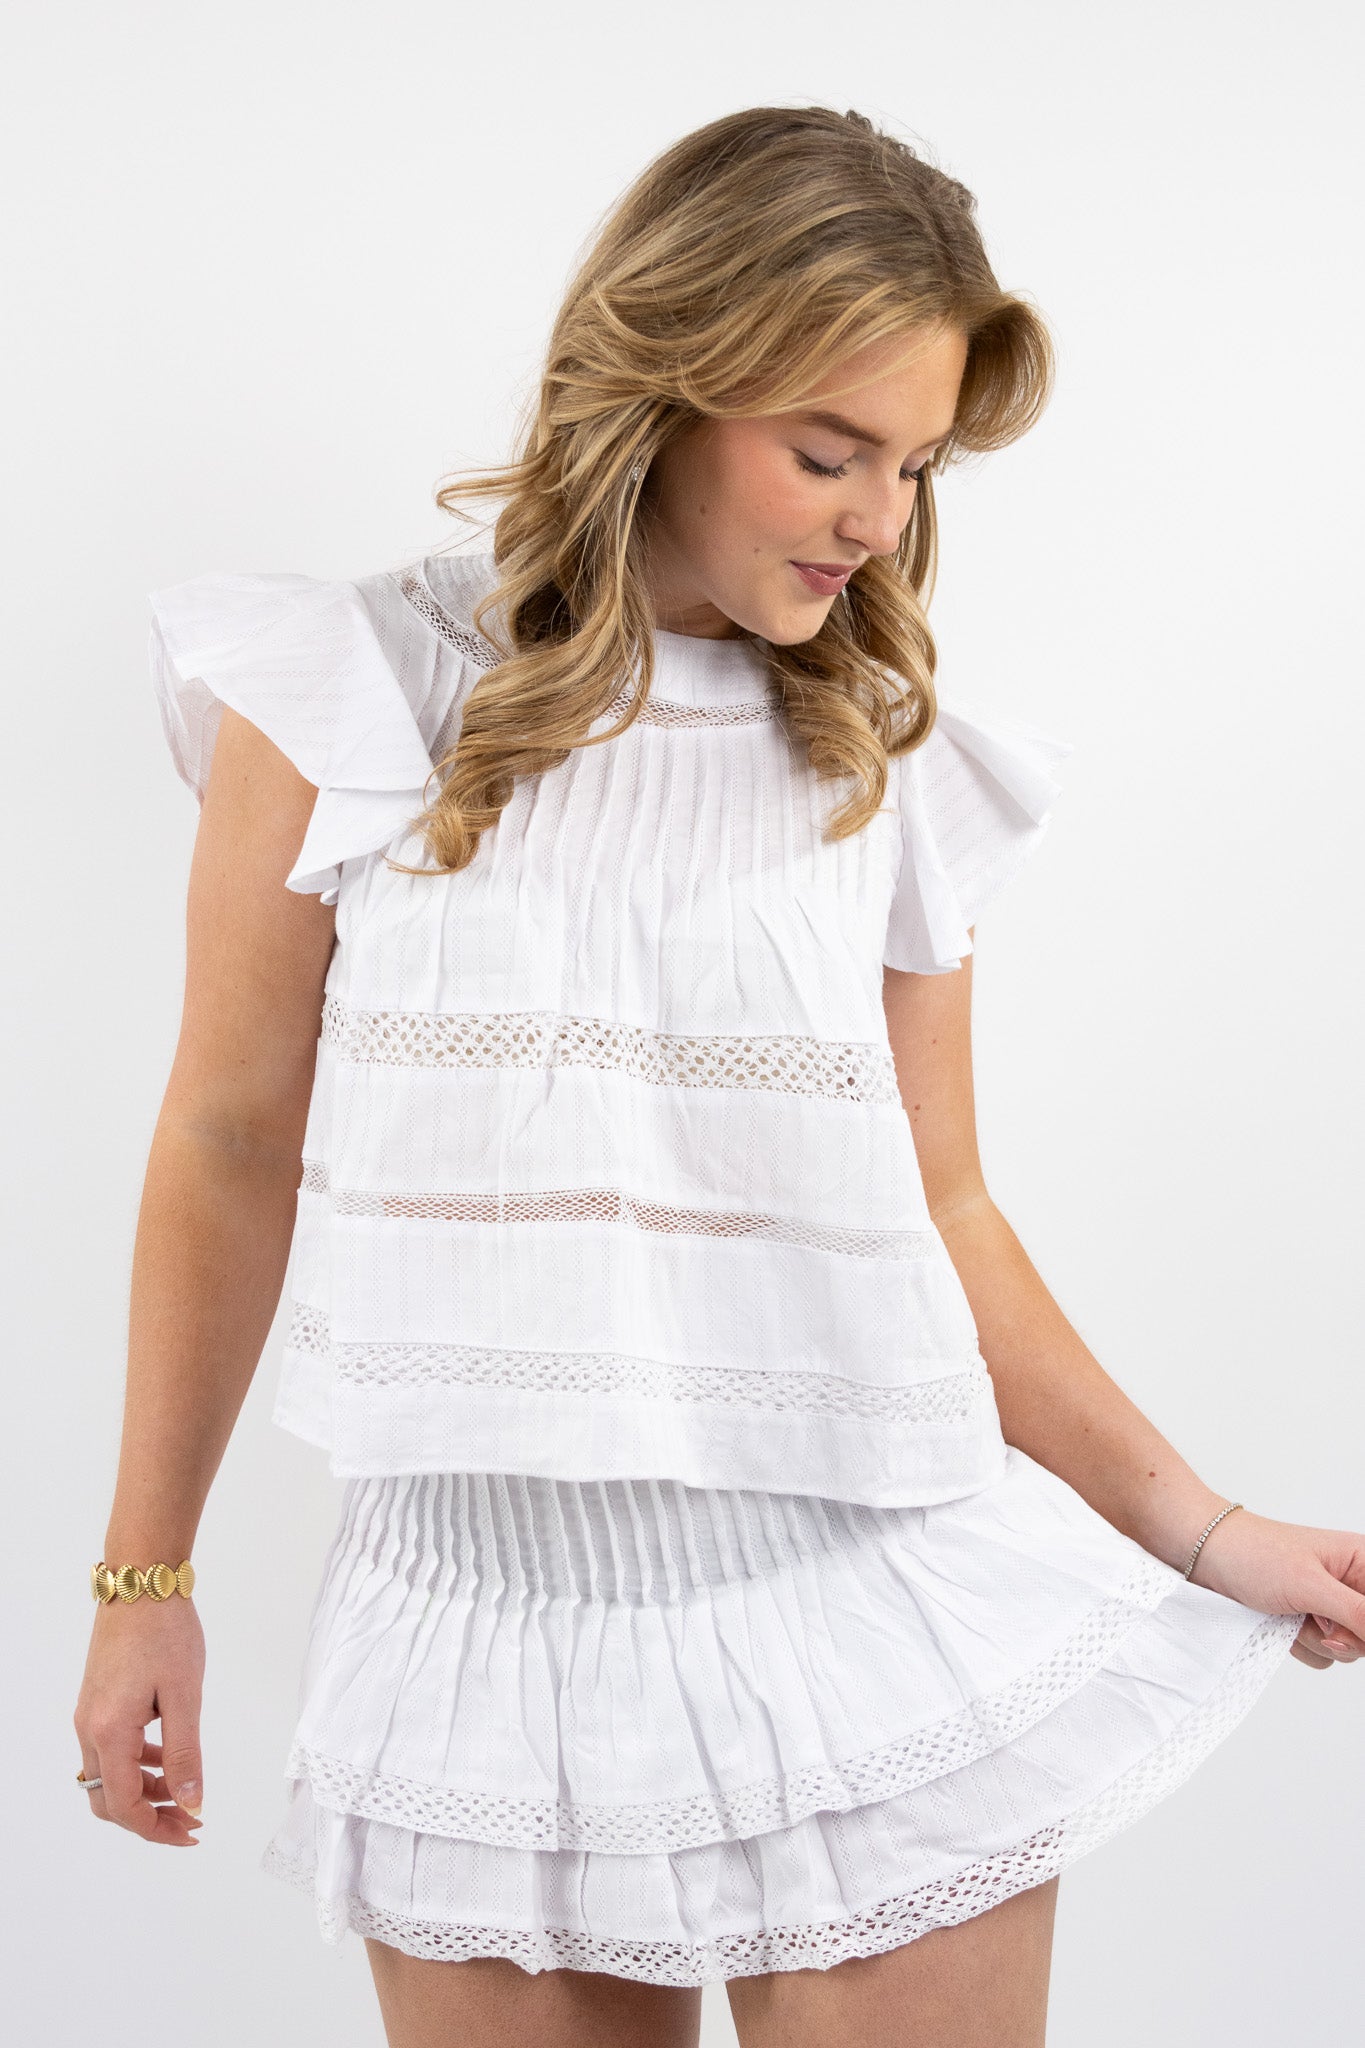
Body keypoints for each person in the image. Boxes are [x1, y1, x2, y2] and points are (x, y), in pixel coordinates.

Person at [74, 104, 1362, 2048]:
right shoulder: (348, 692)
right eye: (826, 452)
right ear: (654, 393)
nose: (875, 522)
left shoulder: (884, 760)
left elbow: (943, 1212)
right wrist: (140, 1575)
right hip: (477, 1646)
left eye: (913, 466)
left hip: (870, 1618)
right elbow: (229, 1138)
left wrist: (1196, 1526)